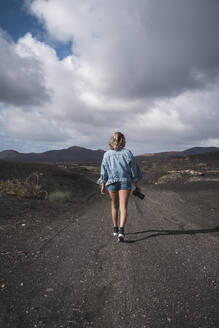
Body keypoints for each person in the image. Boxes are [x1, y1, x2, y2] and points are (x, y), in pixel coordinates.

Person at [97, 132, 143, 242]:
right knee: (123, 207)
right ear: (123, 140)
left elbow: (104, 171)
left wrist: (103, 184)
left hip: (111, 182)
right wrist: (137, 185)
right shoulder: (127, 153)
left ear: (112, 140)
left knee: (114, 206)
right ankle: (121, 232)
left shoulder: (106, 154)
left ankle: (115, 229)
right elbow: (134, 170)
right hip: (125, 182)